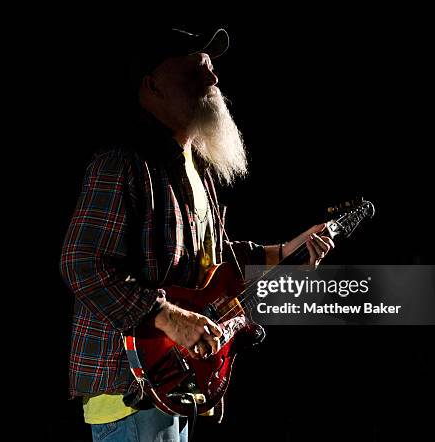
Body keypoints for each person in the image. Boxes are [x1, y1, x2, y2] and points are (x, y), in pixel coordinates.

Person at [59, 27, 334, 442]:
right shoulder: (122, 162)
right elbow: (81, 263)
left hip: (180, 385)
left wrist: (287, 251)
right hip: (129, 388)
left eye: (211, 68)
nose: (212, 79)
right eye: (195, 68)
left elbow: (216, 266)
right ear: (152, 85)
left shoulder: (197, 167)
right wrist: (169, 317)